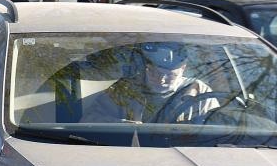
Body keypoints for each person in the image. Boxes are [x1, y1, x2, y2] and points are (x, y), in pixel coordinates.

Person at [55, 41, 216, 125]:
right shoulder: (126, 88)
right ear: (147, 66)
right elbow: (89, 121)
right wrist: (123, 126)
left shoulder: (200, 92)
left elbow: (219, 124)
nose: (161, 79)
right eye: (155, 72)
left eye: (169, 75)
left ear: (183, 69)